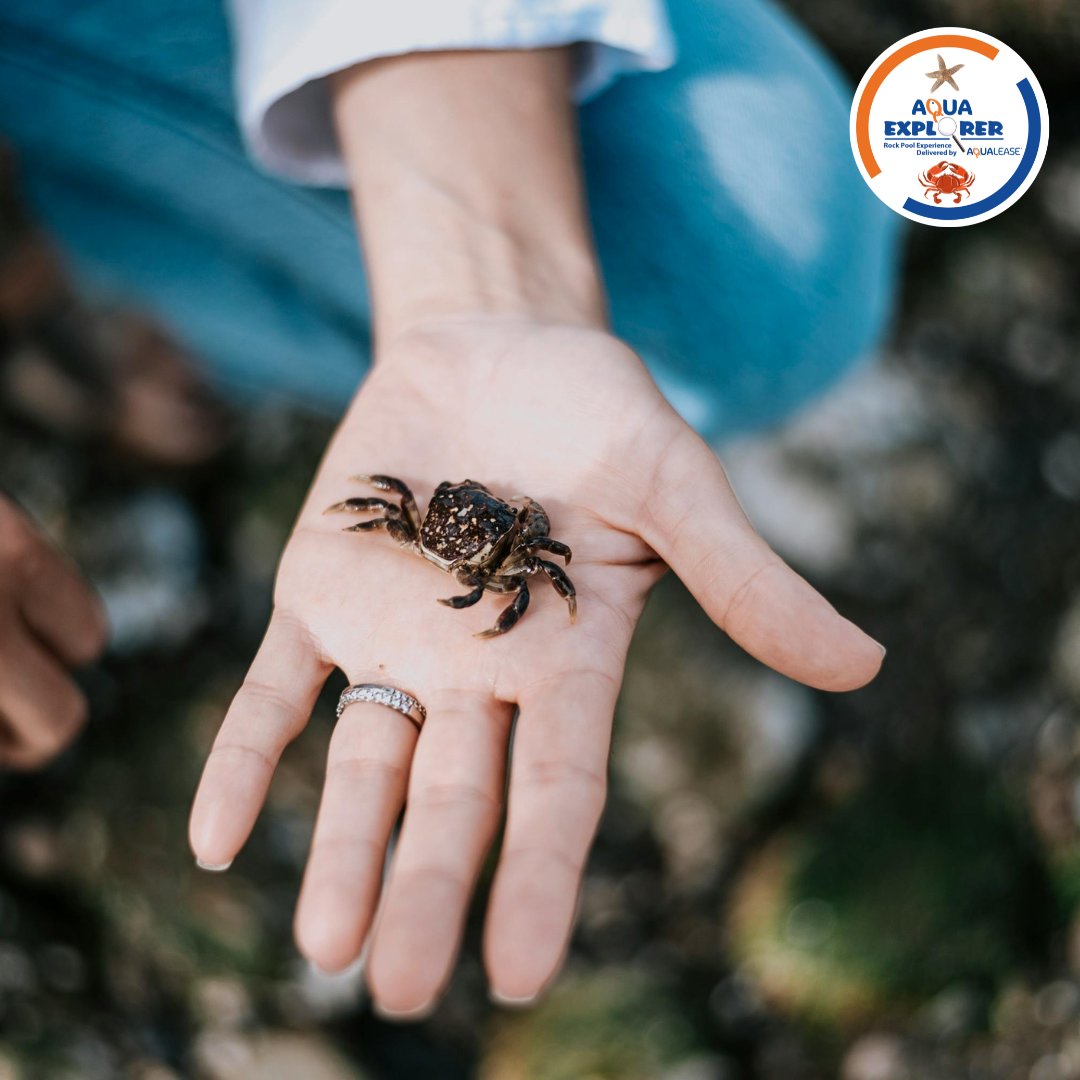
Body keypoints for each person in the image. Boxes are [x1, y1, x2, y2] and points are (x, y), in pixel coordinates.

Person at [0, 0, 896, 1018]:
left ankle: (106, 254)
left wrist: (487, 291)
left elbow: (516, 558)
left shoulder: (502, 541)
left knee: (753, 280)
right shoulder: (422, 516)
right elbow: (386, 508)